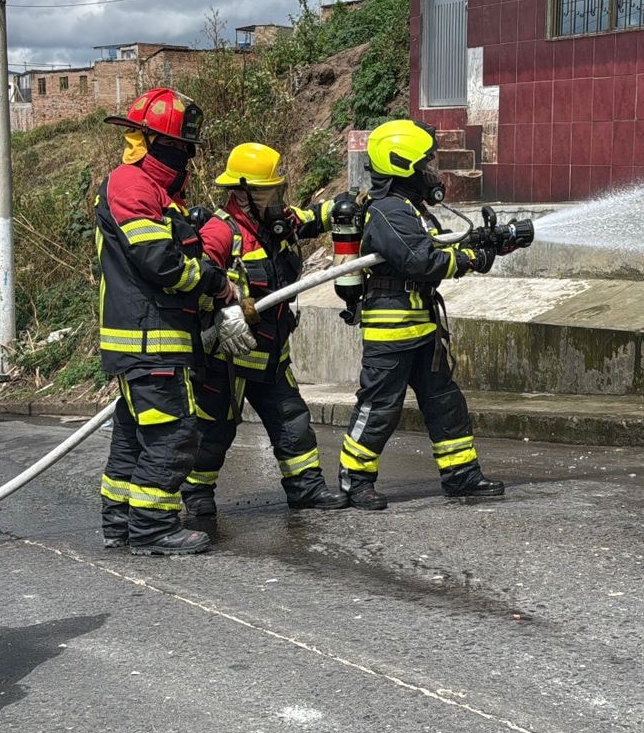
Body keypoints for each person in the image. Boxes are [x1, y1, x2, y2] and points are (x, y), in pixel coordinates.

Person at [95, 88, 254, 555]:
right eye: (183, 146)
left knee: (133, 435)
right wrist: (216, 283)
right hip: (151, 340)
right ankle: (152, 528)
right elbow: (161, 262)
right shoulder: (133, 184)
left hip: (147, 339)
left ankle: (122, 523)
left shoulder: (160, 193)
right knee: (174, 434)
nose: (187, 156)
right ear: (157, 142)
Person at [336, 120, 511, 510]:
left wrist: (481, 244)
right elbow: (420, 260)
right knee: (379, 408)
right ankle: (355, 481)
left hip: (421, 326)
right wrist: (468, 259)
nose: (431, 172)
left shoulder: (409, 210)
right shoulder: (387, 212)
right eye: (424, 164)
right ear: (402, 166)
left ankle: (461, 476)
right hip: (391, 331)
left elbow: (432, 247)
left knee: (445, 404)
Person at [186, 143, 350, 517]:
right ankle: (196, 493)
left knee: (293, 422)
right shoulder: (220, 232)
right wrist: (223, 308)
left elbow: (310, 218)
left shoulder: (275, 224)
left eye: (278, 190)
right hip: (227, 359)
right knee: (214, 431)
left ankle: (306, 489)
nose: (276, 199)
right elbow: (197, 281)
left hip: (272, 355)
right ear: (241, 194)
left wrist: (350, 204)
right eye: (267, 192)